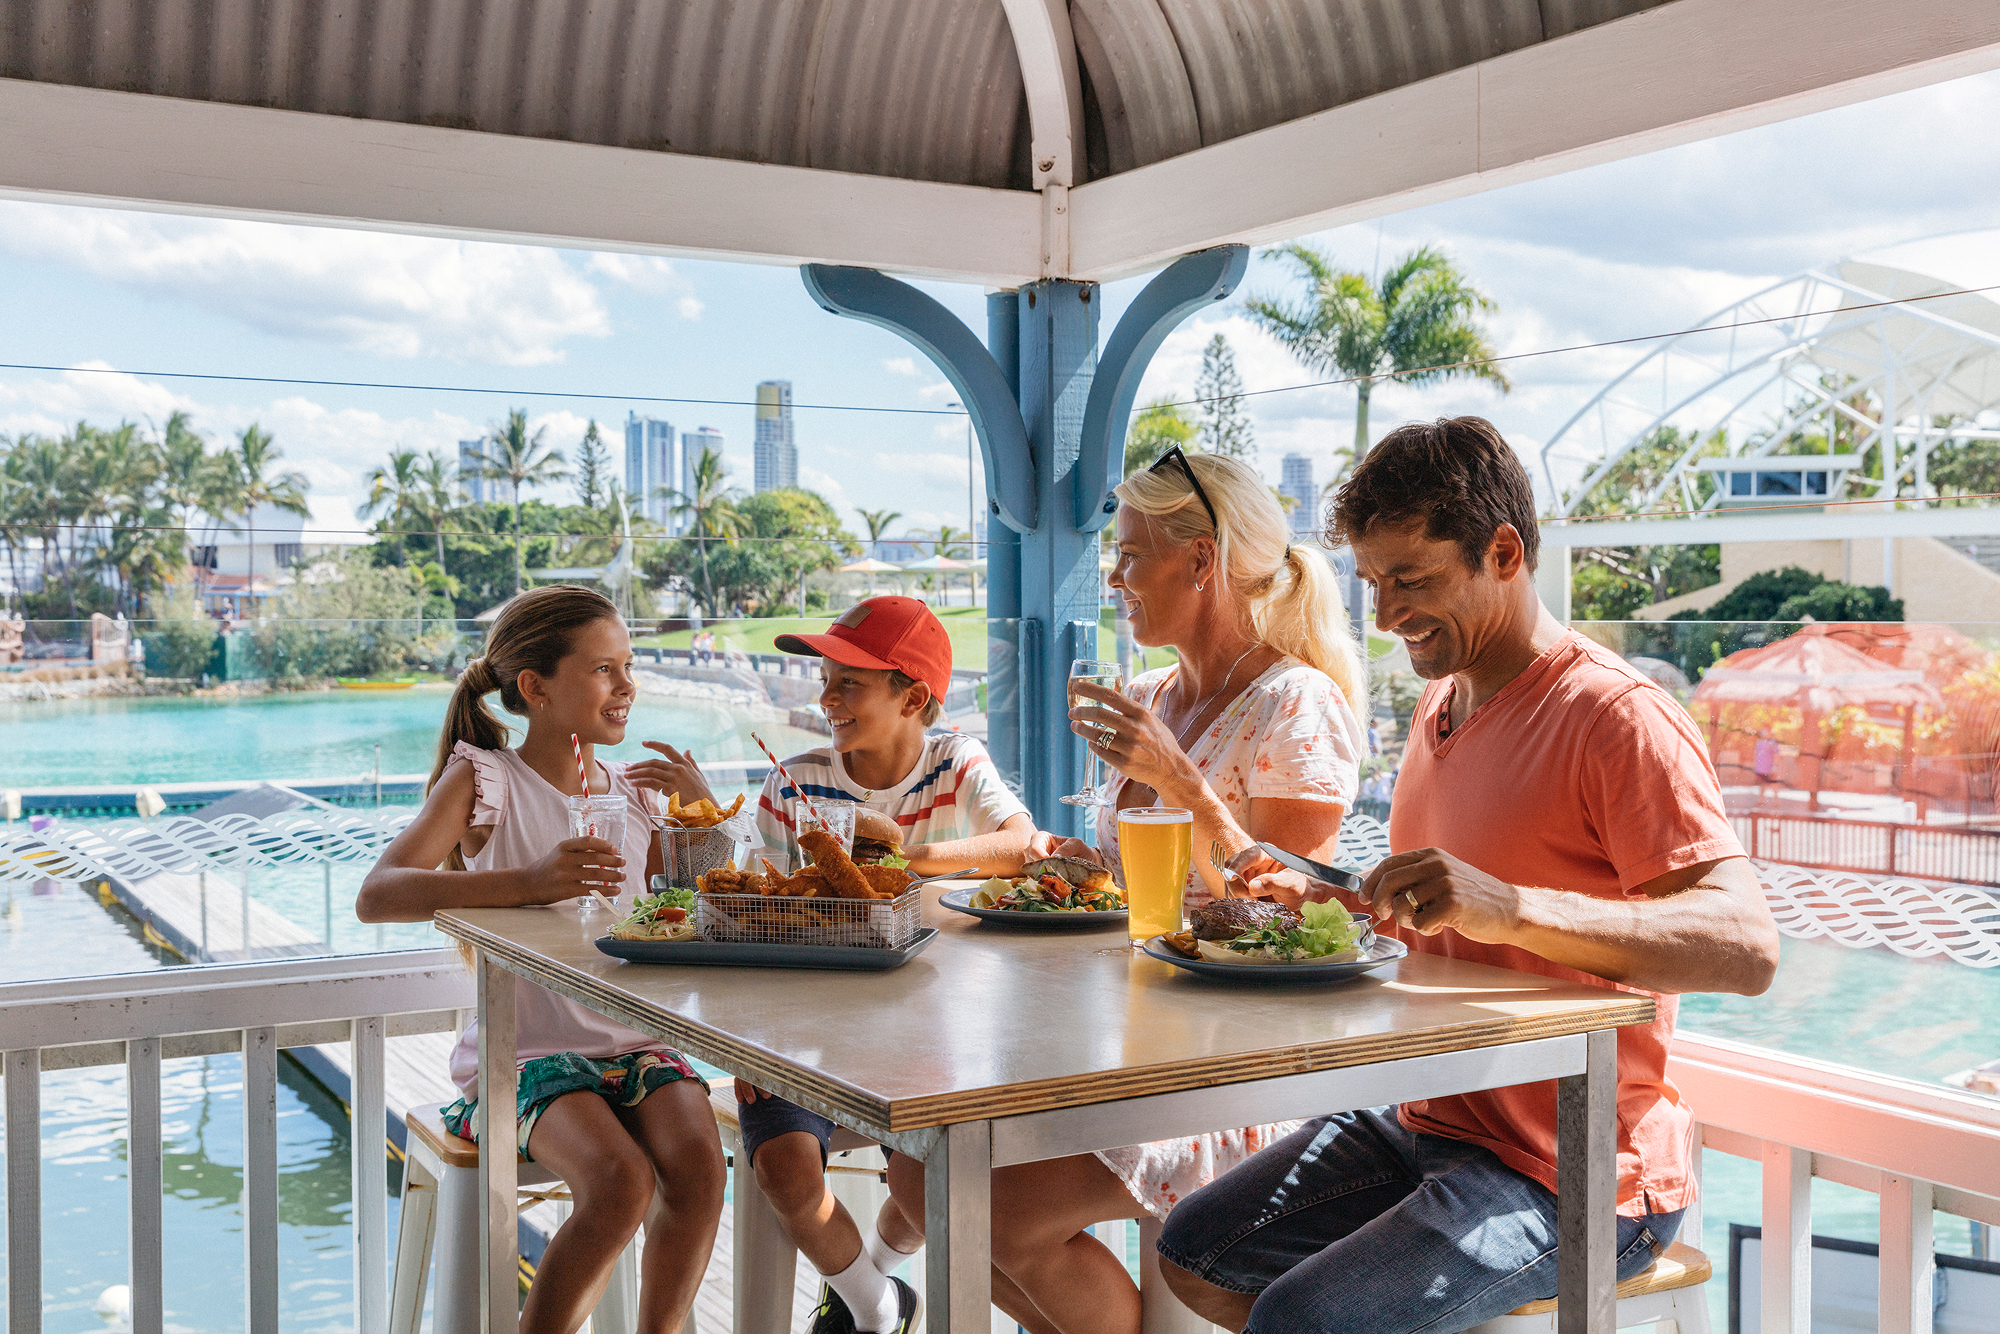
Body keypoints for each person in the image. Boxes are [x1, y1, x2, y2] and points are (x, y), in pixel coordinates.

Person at [1160, 417, 1781, 1334]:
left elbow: (1748, 948)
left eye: (1411, 580)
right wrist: (1339, 900)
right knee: (1195, 1252)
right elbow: (1451, 915)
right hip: (1428, 1120)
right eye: (1374, 583)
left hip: (1577, 1164)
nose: (1386, 615)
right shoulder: (1439, 704)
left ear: (1503, 553)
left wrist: (1513, 907)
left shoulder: (1618, 717)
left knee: (1303, 1320)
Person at [884, 449, 1370, 1334]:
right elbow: (1130, 884)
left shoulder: (1297, 704)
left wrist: (1186, 784)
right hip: (1115, 1033)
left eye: (1132, 556)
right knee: (918, 1176)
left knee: (991, 1206)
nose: (1114, 578)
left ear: (1202, 561)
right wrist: (1073, 866)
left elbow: (1286, 920)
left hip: (1231, 1063)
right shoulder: (1151, 694)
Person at [657, 594, 1037, 1334]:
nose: (826, 699)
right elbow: (752, 916)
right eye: (825, 681)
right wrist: (748, 1041)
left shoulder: (956, 763)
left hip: (935, 1034)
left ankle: (870, 1281)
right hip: (804, 1035)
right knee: (783, 1169)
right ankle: (876, 1307)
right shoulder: (794, 779)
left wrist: (901, 858)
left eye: (849, 684)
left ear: (913, 699)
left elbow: (1024, 845)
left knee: (928, 1179)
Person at [357, 585, 726, 1334]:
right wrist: (528, 883)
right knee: (619, 1183)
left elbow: (700, 897)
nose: (627, 686)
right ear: (536, 687)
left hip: (636, 1042)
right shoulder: (487, 780)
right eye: (604, 669)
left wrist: (704, 815)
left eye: (629, 667)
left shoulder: (632, 795)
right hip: (525, 1053)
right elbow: (379, 894)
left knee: (700, 1168)